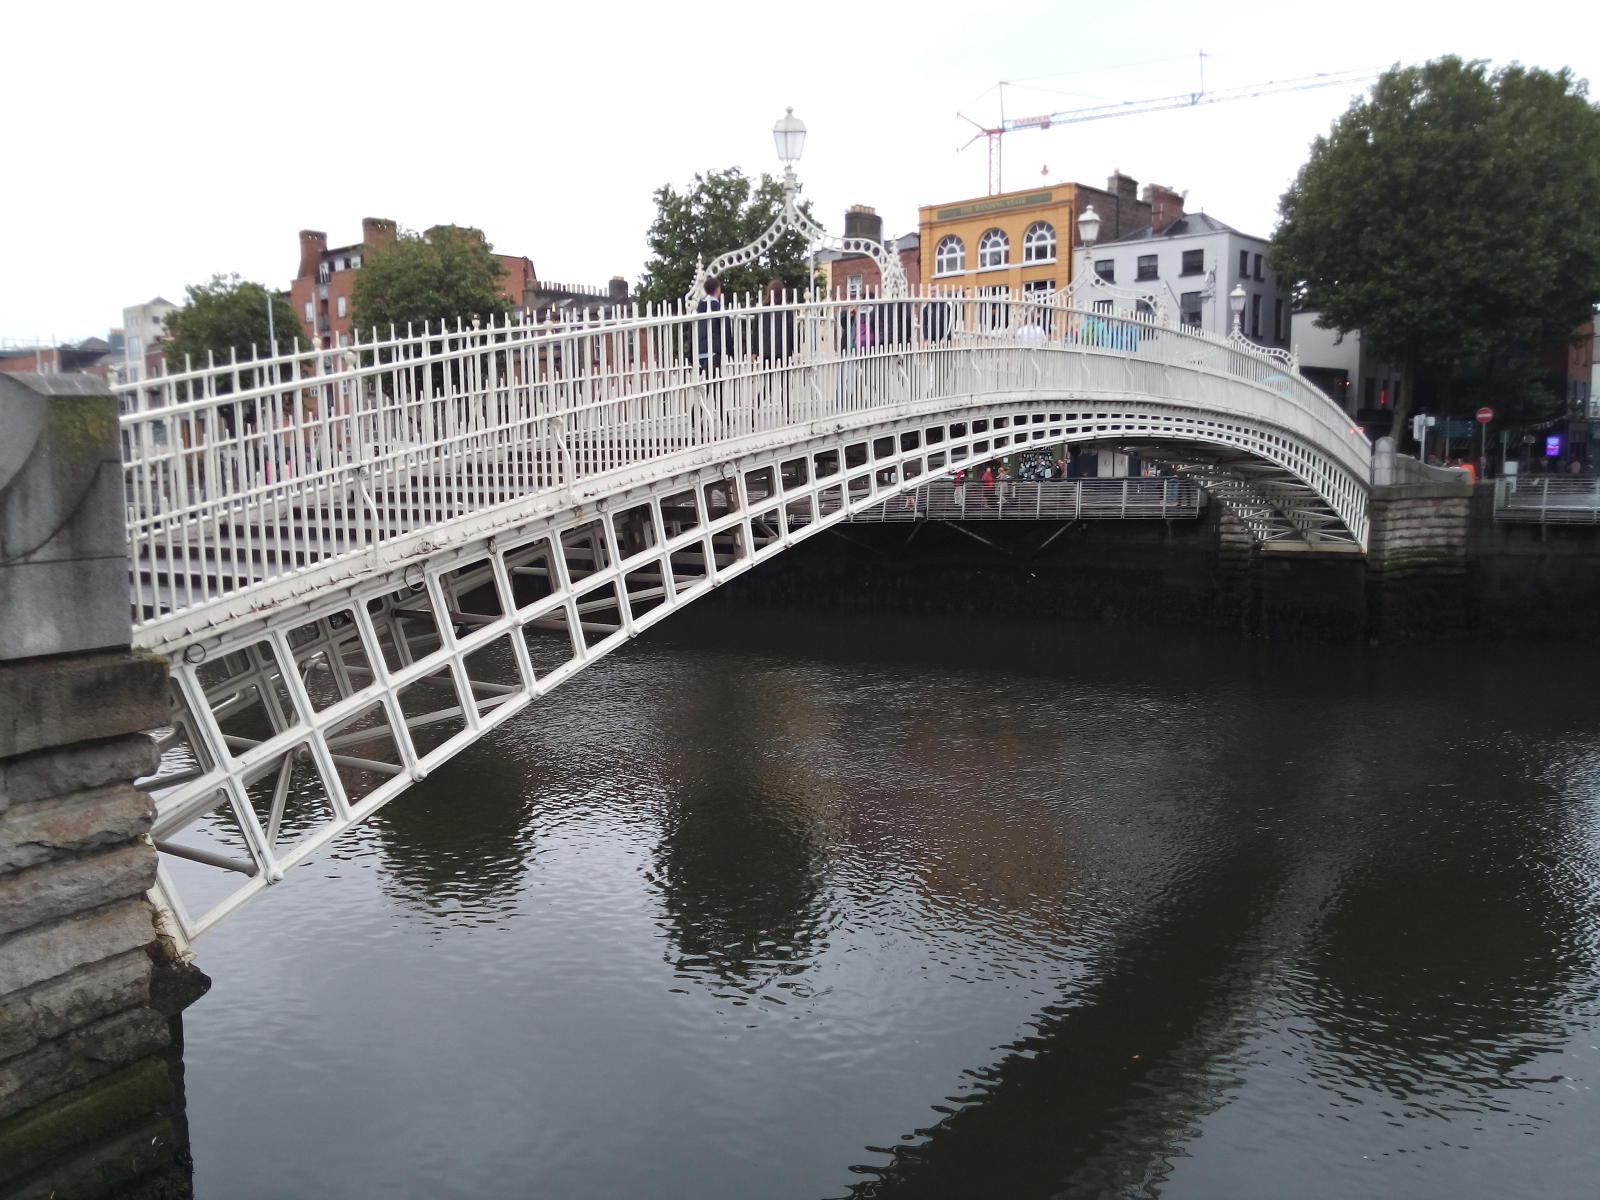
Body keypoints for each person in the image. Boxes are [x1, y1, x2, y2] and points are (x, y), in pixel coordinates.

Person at [695, 276, 731, 375]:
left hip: (700, 351)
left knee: (705, 384)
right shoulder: (719, 308)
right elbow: (726, 332)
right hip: (715, 350)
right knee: (715, 384)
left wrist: (690, 355)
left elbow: (691, 332)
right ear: (718, 289)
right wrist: (731, 352)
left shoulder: (698, 309)